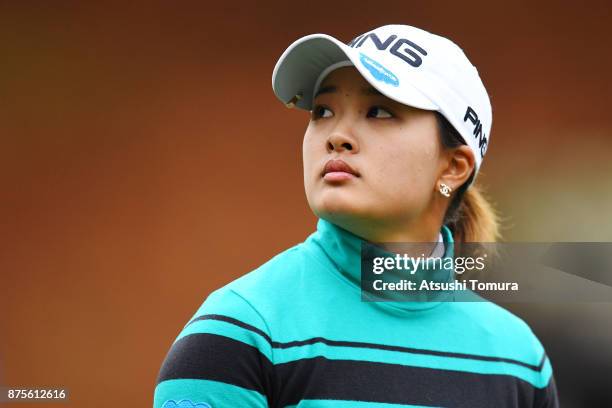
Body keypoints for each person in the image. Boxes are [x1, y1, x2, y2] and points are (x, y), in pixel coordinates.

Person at [153, 24, 559, 408]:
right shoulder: (239, 333)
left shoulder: (519, 361)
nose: (336, 135)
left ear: (453, 167)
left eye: (379, 112)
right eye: (323, 111)